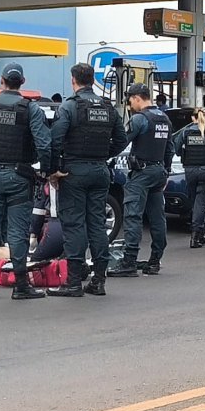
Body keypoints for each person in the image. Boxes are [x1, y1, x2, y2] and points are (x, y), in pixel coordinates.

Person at [0, 62, 52, 300]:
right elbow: (44, 144)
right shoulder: (30, 109)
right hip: (19, 177)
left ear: (1, 81)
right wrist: (45, 170)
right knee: (17, 232)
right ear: (22, 82)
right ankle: (21, 286)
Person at [46, 63, 128, 297]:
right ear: (92, 80)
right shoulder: (107, 107)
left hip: (74, 171)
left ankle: (73, 282)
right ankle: (99, 281)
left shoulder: (69, 106)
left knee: (74, 225)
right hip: (100, 170)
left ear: (73, 80)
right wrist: (102, 156)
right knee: (97, 225)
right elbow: (121, 140)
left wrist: (54, 169)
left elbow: (55, 140)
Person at [109, 83, 174, 277]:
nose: (130, 105)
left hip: (142, 173)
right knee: (157, 217)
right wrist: (166, 172)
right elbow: (169, 149)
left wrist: (102, 155)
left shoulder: (140, 119)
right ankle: (155, 260)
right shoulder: (164, 118)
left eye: (130, 100)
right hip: (158, 172)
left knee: (133, 216)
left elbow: (121, 142)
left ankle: (129, 261)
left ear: (137, 98)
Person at [173, 108, 205, 248]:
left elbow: (177, 151)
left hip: (190, 170)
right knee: (200, 202)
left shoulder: (185, 132)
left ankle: (199, 232)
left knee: (194, 201)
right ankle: (196, 235)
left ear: (192, 118)